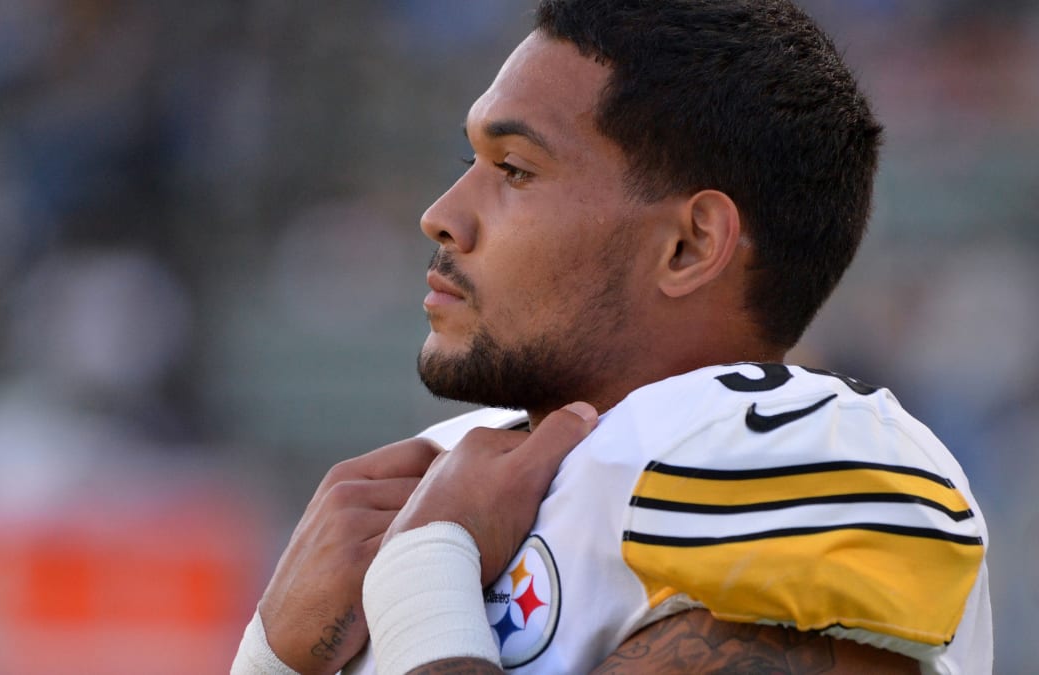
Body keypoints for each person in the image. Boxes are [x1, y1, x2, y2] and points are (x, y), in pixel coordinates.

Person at [233, 0, 992, 673]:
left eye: (515, 169)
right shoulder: (457, 471)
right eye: (471, 159)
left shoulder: (810, 459)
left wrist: (422, 571)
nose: (442, 214)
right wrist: (271, 659)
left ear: (688, 246)